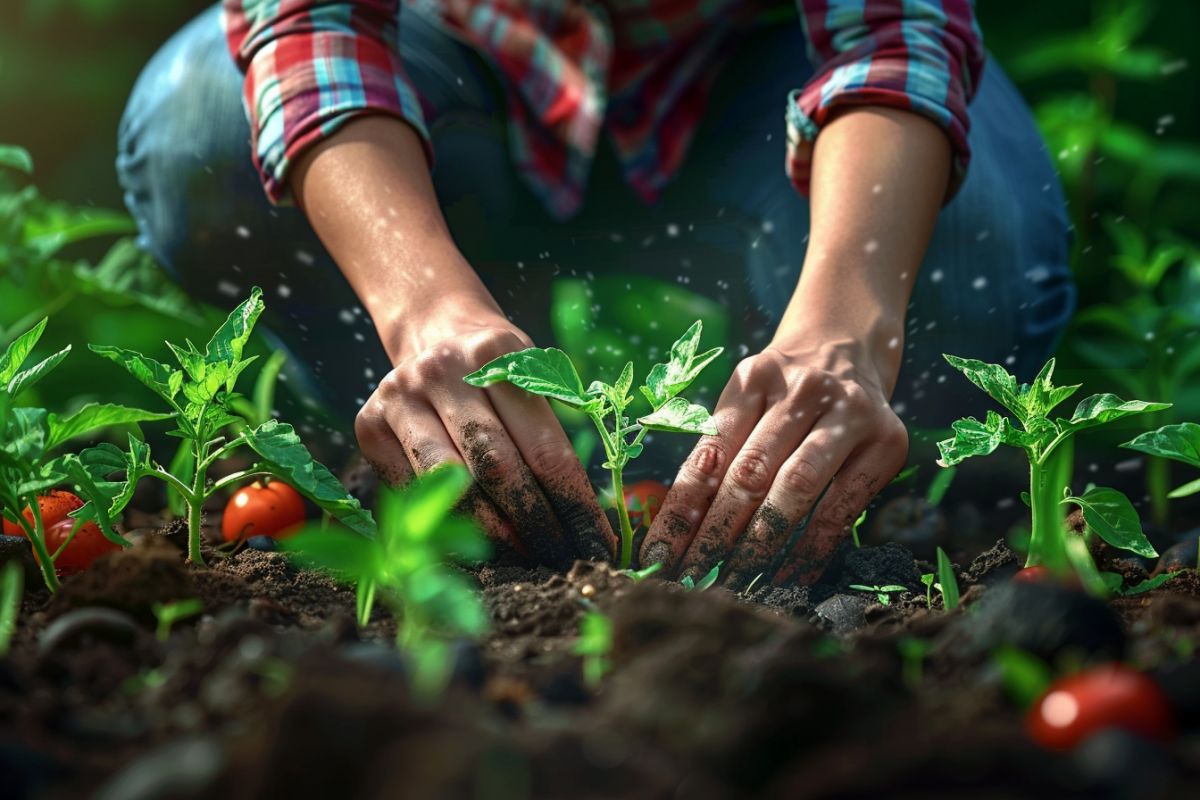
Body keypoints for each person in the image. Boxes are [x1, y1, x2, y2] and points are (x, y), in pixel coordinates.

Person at [117, 0, 1074, 587]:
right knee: (201, 123)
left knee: (972, 259)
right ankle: (441, 448)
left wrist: (846, 335)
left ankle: (720, 473)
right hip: (467, 75)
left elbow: (893, 29)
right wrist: (423, 307)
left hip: (759, 78)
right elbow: (311, 20)